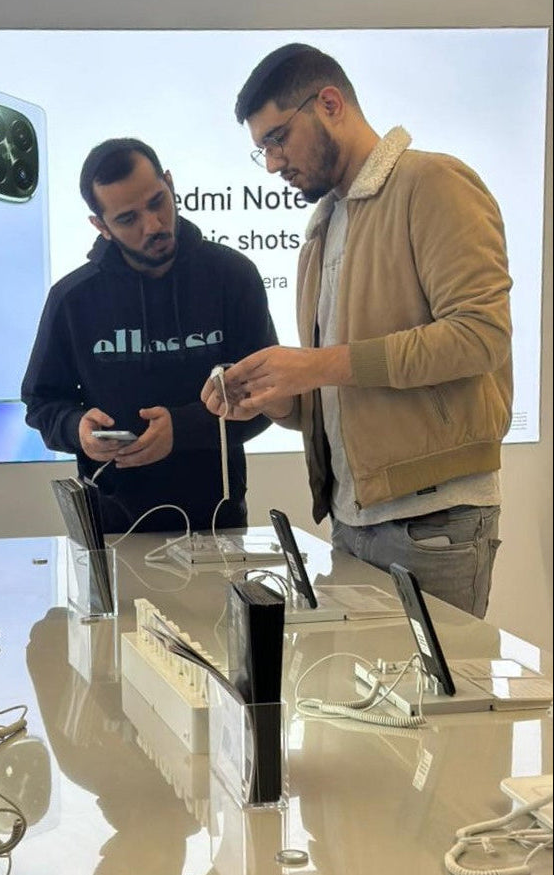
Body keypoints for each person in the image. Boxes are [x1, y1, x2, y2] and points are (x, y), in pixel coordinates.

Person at [202, 43, 512, 617]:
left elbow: (480, 336)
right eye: (262, 149)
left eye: (278, 138)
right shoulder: (323, 225)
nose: (272, 164)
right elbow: (342, 390)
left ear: (329, 103)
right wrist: (273, 398)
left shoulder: (434, 182)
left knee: (440, 683)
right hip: (350, 520)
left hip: (433, 522)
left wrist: (316, 365)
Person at [22, 137, 277, 533]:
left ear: (170, 184)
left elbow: (268, 398)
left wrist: (183, 429)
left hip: (216, 528)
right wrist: (77, 429)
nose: (154, 225)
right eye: (128, 219)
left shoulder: (232, 277)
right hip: (109, 530)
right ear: (101, 226)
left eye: (158, 201)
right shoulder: (73, 298)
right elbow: (41, 404)